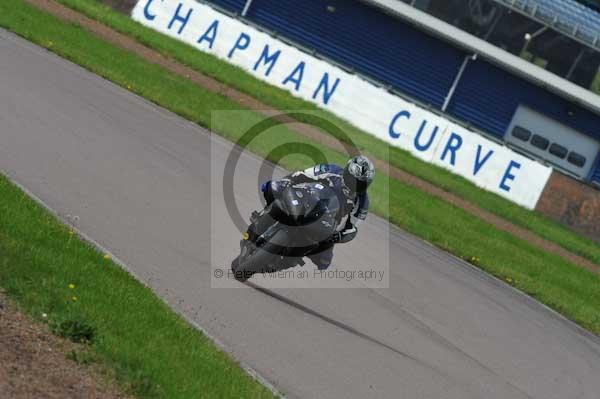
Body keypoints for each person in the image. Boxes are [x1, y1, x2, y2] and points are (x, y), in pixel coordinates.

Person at [260, 155, 375, 270]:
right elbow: (304, 174)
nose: (356, 185)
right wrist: (287, 181)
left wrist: (338, 236)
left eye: (362, 184)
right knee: (274, 187)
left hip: (326, 222)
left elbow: (353, 227)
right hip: (306, 200)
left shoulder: (362, 202)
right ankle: (263, 217)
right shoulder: (332, 170)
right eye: (354, 180)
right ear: (347, 172)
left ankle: (285, 262)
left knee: (324, 261)